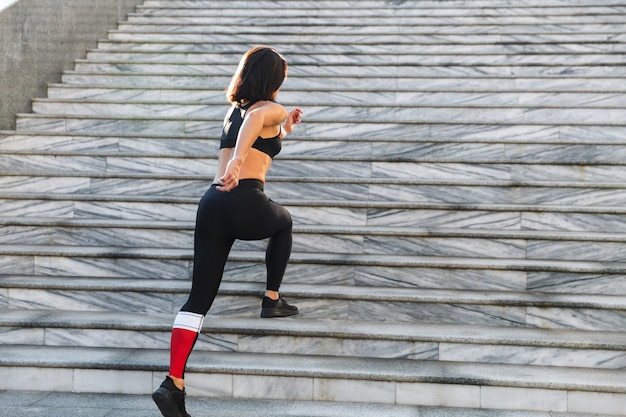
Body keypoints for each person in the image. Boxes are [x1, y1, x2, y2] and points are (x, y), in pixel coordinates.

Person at [152, 46, 303, 417]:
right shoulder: (269, 108)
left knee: (198, 300)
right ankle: (271, 299)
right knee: (283, 222)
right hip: (244, 198)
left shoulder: (234, 113)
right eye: (281, 78)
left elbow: (257, 129)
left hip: (211, 204)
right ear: (273, 79)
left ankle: (173, 383)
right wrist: (238, 162)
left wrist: (286, 130)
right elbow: (258, 124)